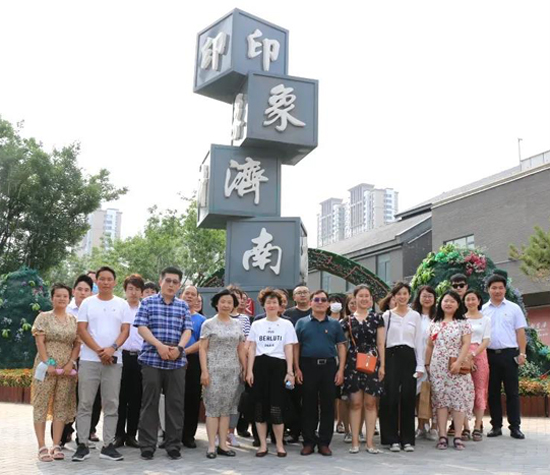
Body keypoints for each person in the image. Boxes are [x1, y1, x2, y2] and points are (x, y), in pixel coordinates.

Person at [73, 266, 132, 462]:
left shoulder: (122, 304)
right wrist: (100, 351)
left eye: (109, 279)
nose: (106, 282)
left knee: (111, 403)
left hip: (114, 360)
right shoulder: (88, 303)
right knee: (85, 403)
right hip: (89, 360)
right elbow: (82, 330)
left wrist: (112, 349)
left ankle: (108, 445)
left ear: (115, 282)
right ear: (96, 282)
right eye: (102, 279)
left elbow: (125, 330)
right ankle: (82, 444)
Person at [134, 267, 192, 460]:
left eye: (175, 282)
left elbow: (187, 330)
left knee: (175, 404)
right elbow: (141, 327)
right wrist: (159, 346)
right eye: (168, 281)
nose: (171, 285)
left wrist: (180, 348)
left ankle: (173, 445)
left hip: (176, 361)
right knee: (149, 403)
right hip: (152, 358)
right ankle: (147, 445)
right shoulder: (148, 302)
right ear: (161, 282)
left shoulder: (183, 306)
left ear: (179, 285)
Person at [246, 288, 298, 457]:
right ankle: (262, 445)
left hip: (279, 366)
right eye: (268, 302)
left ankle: (280, 445)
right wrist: (249, 371)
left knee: (277, 408)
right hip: (260, 366)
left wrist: (290, 371)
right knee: (259, 408)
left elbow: (289, 347)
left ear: (280, 305)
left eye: (275, 302)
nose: (271, 305)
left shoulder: (286, 324)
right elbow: (252, 348)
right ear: (264, 305)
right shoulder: (257, 324)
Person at [295, 290, 347, 456]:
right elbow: (296, 347)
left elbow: (341, 346)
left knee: (328, 405)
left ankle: (324, 442)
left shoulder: (334, 324)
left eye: (323, 300)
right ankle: (309, 442)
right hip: (307, 366)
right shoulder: (301, 323)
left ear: (328, 304)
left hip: (329, 367)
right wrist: (296, 368)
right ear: (311, 303)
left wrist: (341, 370)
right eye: (316, 299)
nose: (320, 302)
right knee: (308, 405)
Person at [32, 283, 80, 462]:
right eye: (58, 295)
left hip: (66, 370)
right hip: (46, 368)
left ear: (69, 299)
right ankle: (41, 446)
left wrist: (70, 363)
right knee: (41, 404)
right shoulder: (43, 317)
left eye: (65, 296)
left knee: (62, 405)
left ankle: (56, 444)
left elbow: (77, 344)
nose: (61, 299)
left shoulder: (74, 320)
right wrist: (49, 363)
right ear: (52, 298)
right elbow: (40, 342)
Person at [199, 289, 247, 459]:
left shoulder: (237, 324)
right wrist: (204, 371)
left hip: (232, 372)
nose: (226, 305)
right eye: (223, 302)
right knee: (213, 409)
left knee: (227, 409)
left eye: (229, 302)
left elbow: (241, 348)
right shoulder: (208, 324)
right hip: (213, 371)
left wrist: (245, 368)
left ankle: (223, 445)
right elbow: (202, 349)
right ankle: (212, 446)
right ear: (216, 304)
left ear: (234, 305)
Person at [425, 290, 473, 450]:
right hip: (438, 368)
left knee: (458, 400)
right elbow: (429, 345)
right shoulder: (435, 323)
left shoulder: (463, 323)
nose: (448, 304)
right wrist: (427, 365)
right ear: (440, 303)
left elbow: (466, 344)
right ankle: (442, 436)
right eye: (445, 301)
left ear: (458, 305)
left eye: (452, 301)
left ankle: (458, 436)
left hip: (456, 367)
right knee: (440, 401)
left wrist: (458, 362)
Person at [379, 282, 424, 453]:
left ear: (409, 295)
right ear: (394, 296)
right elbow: (382, 342)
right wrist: (382, 365)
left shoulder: (415, 316)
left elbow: (419, 341)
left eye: (405, 293)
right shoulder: (387, 315)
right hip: (391, 357)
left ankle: (407, 439)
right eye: (399, 294)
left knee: (408, 397)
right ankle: (391, 439)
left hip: (409, 356)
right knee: (390, 398)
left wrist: (420, 365)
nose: (402, 297)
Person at [482, 274, 527, 440]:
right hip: (489, 355)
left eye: (500, 288)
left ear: (505, 289)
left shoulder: (514, 308)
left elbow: (520, 332)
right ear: (488, 290)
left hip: (509, 355)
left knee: (512, 392)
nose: (497, 291)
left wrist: (522, 353)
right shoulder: (483, 310)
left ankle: (515, 427)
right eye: (494, 288)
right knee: (492, 392)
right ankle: (496, 426)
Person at [341, 285, 385, 454]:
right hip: (353, 362)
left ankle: (370, 443)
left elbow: (380, 343)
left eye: (367, 296)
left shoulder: (377, 318)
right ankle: (355, 442)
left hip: (372, 361)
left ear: (371, 299)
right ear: (355, 298)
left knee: (370, 403)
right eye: (361, 296)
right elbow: (342, 345)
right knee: (355, 403)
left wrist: (383, 365)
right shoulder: (347, 321)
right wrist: (341, 368)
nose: (364, 299)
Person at [61, 274, 94, 447]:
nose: (83, 293)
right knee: (66, 397)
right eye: (80, 289)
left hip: (89, 359)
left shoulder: (94, 310)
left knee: (87, 399)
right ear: (73, 291)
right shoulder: (66, 310)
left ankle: (85, 435)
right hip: (68, 360)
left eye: (86, 290)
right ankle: (63, 434)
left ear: (91, 293)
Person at [114, 274, 145, 449]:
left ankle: (132, 435)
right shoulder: (119, 308)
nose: (133, 292)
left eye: (137, 289)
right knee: (120, 397)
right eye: (130, 289)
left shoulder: (146, 309)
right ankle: (118, 435)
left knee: (136, 398)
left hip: (140, 357)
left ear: (142, 292)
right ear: (125, 290)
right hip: (121, 356)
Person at [463, 289, 491, 441]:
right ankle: (465, 427)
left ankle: (477, 426)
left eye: (473, 299)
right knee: (463, 391)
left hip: (479, 355)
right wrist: (466, 357)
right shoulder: (461, 319)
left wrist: (473, 355)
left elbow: (486, 340)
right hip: (463, 356)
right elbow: (459, 340)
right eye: (467, 299)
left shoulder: (485, 319)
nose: (470, 302)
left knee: (480, 390)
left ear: (479, 301)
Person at [411, 285, 438, 441]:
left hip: (435, 360)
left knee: (435, 394)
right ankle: (421, 425)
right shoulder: (413, 316)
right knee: (419, 393)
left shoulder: (438, 316)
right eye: (424, 296)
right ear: (418, 297)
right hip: (415, 359)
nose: (427, 299)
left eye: (430, 296)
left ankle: (434, 427)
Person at [181, 285, 206, 448]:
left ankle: (189, 435)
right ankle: (171, 434)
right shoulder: (174, 314)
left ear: (197, 299)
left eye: (193, 294)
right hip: (172, 358)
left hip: (193, 360)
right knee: (173, 398)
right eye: (187, 293)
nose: (189, 296)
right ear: (181, 295)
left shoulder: (202, 320)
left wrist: (184, 351)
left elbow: (202, 342)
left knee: (192, 398)